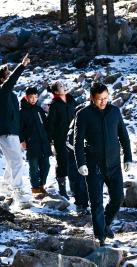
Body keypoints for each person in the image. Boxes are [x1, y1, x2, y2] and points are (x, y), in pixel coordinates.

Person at [71, 82, 133, 246]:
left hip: (114, 164)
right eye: (100, 99)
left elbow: (124, 136)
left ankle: (105, 224)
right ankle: (100, 236)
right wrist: (81, 163)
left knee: (118, 197)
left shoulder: (114, 111)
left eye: (106, 98)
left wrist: (128, 157)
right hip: (93, 166)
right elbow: (78, 142)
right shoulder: (83, 114)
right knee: (96, 202)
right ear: (92, 98)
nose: (103, 101)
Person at [0, 52, 32, 208]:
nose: (10, 77)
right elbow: (11, 81)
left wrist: (21, 137)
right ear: (3, 79)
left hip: (13, 132)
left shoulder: (10, 94)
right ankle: (18, 191)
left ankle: (5, 186)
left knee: (12, 161)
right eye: (7, 75)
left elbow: (17, 117)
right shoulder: (0, 91)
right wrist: (22, 66)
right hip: (7, 132)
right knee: (17, 161)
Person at [45, 81, 88, 213]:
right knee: (62, 162)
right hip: (60, 138)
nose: (64, 87)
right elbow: (51, 124)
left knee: (75, 163)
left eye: (63, 85)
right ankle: (62, 188)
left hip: (73, 138)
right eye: (61, 86)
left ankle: (76, 190)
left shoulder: (71, 100)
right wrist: (49, 140)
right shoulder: (54, 105)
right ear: (56, 92)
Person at [19, 86, 51, 197]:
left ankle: (42, 185)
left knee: (46, 166)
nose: (34, 99)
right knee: (34, 167)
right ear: (26, 97)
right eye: (31, 97)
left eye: (35, 97)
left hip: (43, 142)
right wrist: (22, 140)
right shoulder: (22, 112)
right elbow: (19, 128)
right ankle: (35, 189)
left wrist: (48, 139)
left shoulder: (39, 110)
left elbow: (45, 125)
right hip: (32, 143)